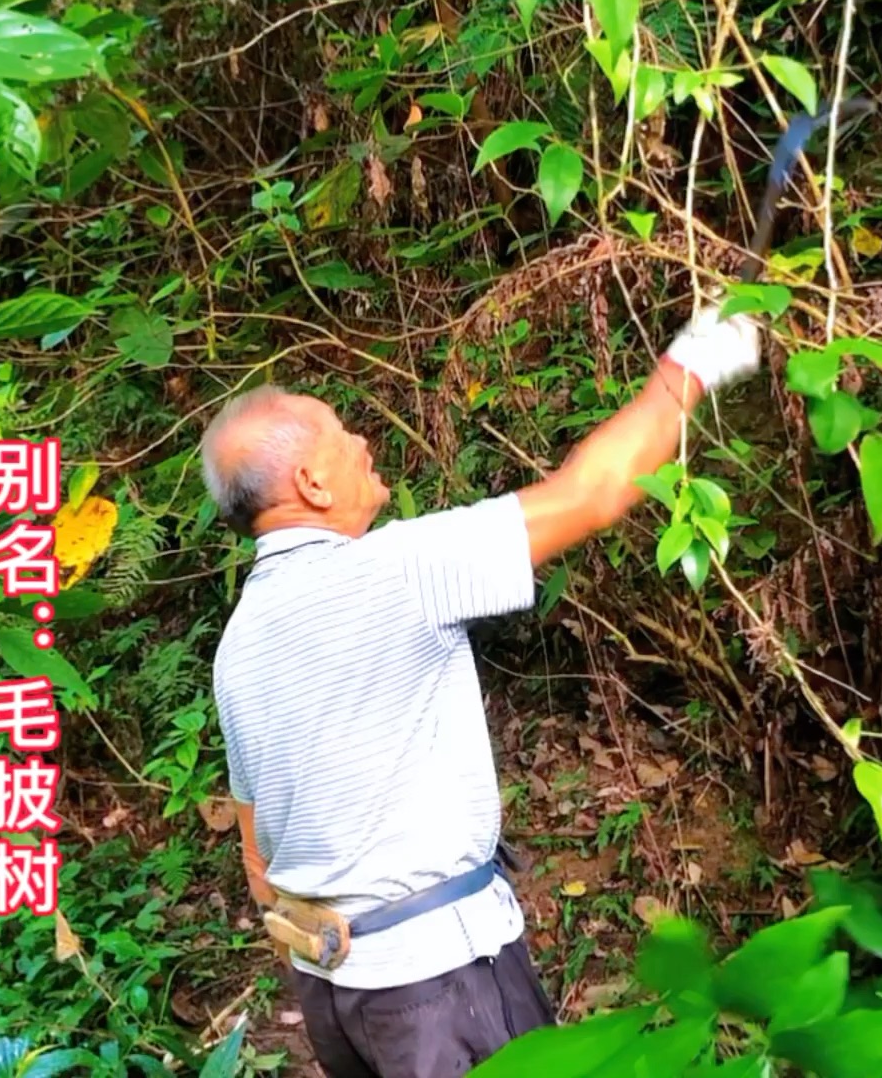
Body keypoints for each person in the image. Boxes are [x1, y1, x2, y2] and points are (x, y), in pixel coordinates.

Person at [199, 304, 761, 1078]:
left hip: (336, 997)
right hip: (439, 993)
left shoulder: (238, 643)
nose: (363, 441)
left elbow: (257, 855)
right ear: (310, 482)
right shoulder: (397, 570)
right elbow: (592, 493)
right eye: (342, 433)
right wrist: (693, 364)